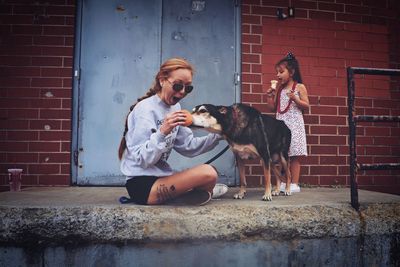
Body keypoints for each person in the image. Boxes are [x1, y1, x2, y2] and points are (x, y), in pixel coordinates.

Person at [118, 57, 227, 205]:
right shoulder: (145, 110)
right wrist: (162, 132)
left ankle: (191, 193)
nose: (182, 92)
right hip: (142, 186)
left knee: (211, 172)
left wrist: (220, 134)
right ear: (162, 80)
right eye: (177, 86)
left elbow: (189, 146)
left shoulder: (175, 108)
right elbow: (142, 160)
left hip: (162, 179)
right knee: (208, 173)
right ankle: (197, 192)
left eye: (188, 88)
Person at [264, 52, 309, 193]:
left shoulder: (299, 87)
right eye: (277, 72)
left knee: (294, 155)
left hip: (294, 125)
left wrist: (296, 99)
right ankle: (282, 183)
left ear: (292, 72)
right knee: (279, 155)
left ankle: (294, 183)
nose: (278, 75)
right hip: (281, 126)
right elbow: (273, 108)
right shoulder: (280, 89)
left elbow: (306, 106)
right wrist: (270, 97)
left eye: (281, 72)